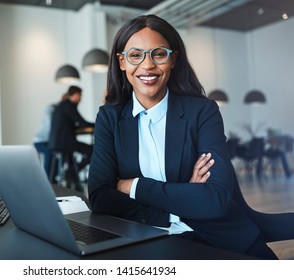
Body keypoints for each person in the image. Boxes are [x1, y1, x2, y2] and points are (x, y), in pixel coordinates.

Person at [88, 14, 294, 259]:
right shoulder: (110, 119)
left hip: (221, 236)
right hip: (146, 240)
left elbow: (215, 199)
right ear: (122, 62)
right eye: (135, 55)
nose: (147, 65)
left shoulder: (202, 112)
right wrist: (183, 198)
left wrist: (133, 185)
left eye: (159, 54)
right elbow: (100, 198)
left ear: (173, 59)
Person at [48, 85, 94, 172]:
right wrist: (98, 124)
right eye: (80, 95)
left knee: (73, 157)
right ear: (75, 95)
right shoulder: (69, 106)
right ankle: (72, 171)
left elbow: (71, 124)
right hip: (64, 143)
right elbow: (82, 123)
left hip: (57, 142)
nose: (81, 98)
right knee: (94, 151)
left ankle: (72, 173)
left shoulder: (62, 105)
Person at [33, 93, 68, 176]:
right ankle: (48, 179)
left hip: (52, 141)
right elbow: (50, 126)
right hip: (40, 141)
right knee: (50, 152)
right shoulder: (51, 108)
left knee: (63, 151)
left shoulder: (63, 111)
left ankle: (56, 178)